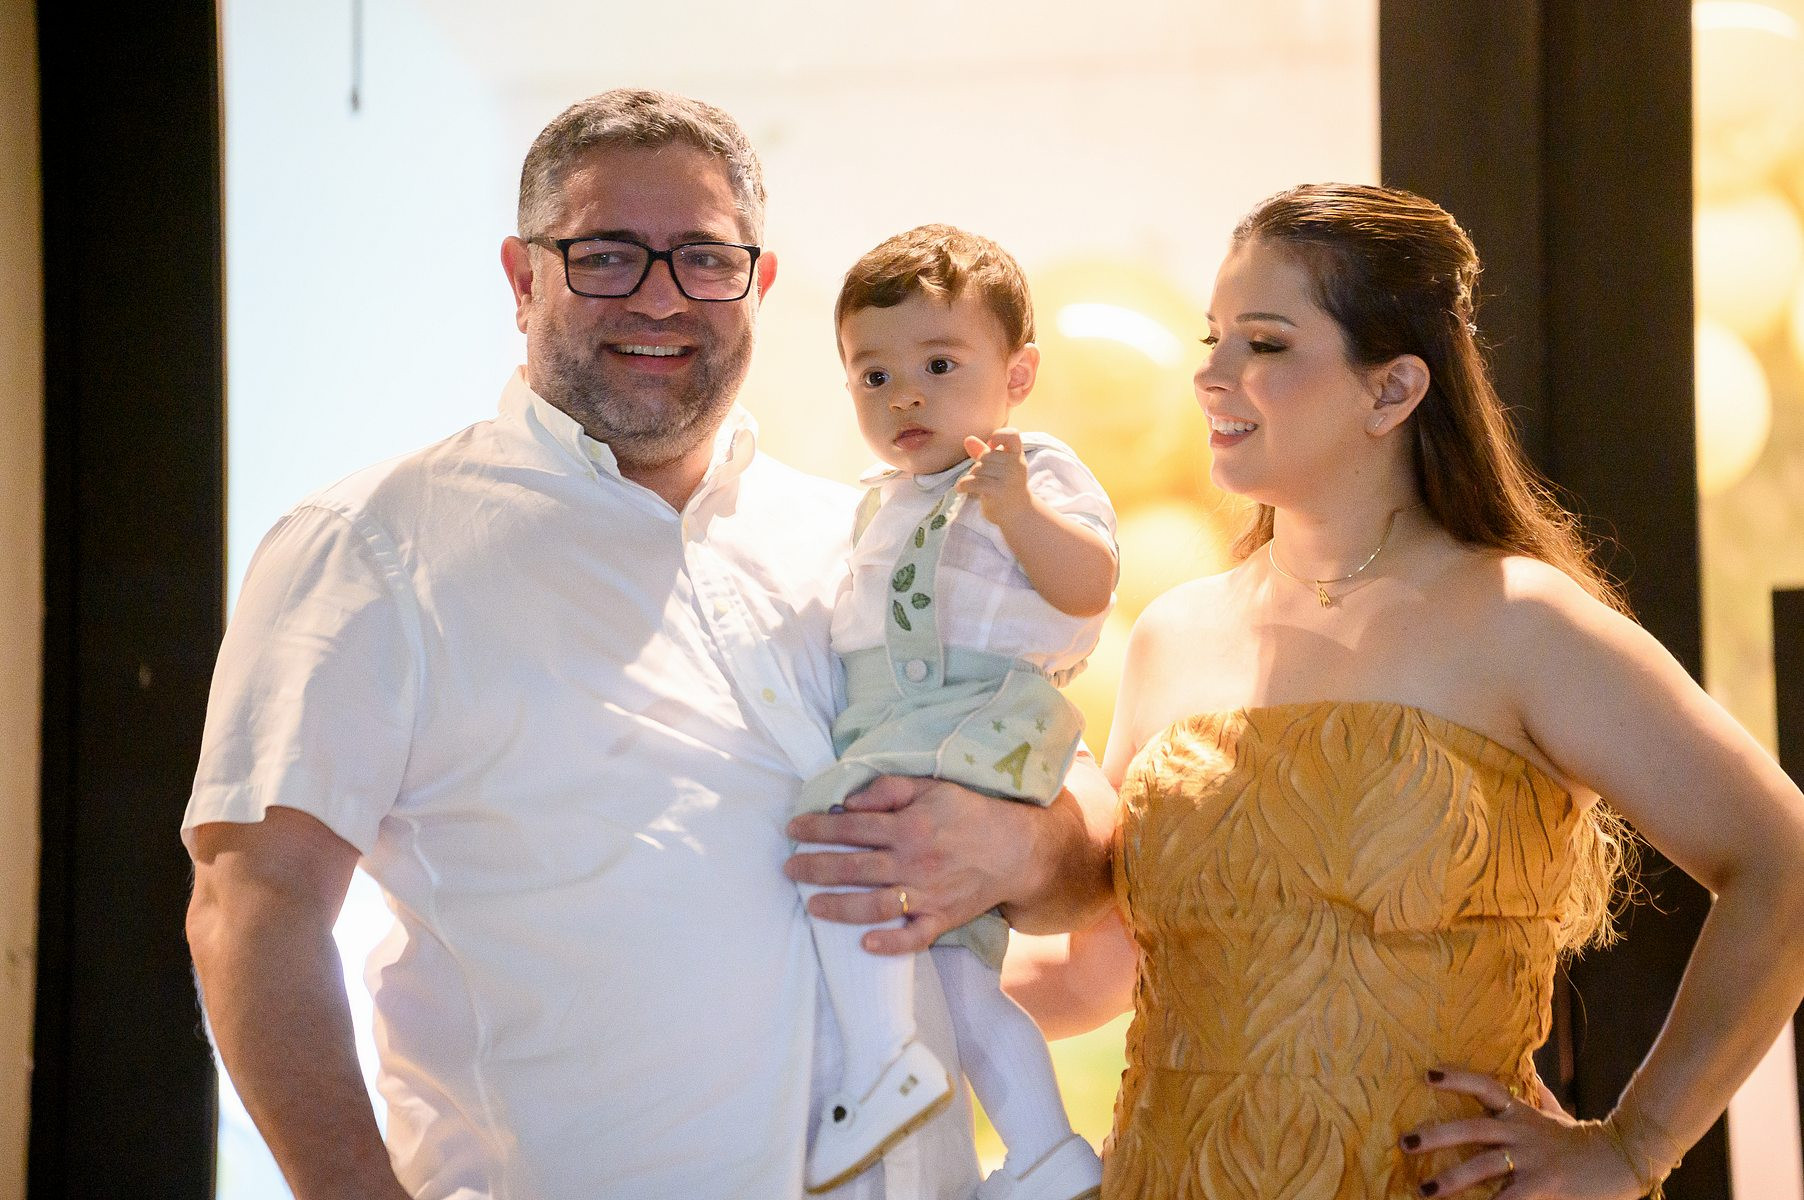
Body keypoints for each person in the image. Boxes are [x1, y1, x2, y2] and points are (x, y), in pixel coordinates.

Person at [182, 88, 1109, 1200]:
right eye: (607, 255)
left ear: (758, 284)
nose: (661, 297)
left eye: (705, 259)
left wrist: (1019, 849)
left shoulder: (871, 535)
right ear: (523, 280)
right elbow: (255, 906)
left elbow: (1090, 847)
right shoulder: (372, 548)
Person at [1002, 183, 1804, 1198]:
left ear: (1391, 391)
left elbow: (1782, 861)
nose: (1209, 373)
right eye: (1213, 338)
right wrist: (854, 984)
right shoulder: (1173, 635)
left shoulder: (1519, 620)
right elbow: (1096, 972)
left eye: (1264, 342)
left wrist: (1634, 1145)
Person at [794, 226, 1113, 1200]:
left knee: (837, 861)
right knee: (956, 980)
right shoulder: (870, 503)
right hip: (900, 725)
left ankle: (894, 1078)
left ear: (1017, 375)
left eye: (938, 365)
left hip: (969, 719)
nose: (905, 396)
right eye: (873, 376)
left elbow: (1091, 584)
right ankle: (1045, 1154)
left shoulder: (1030, 469)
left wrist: (1019, 511)